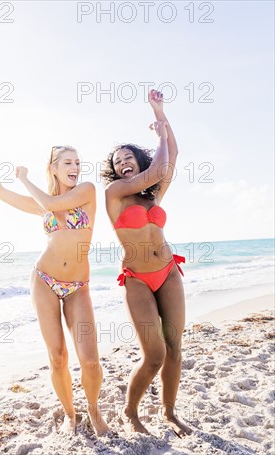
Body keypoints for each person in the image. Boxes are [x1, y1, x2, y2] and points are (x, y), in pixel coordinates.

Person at [0, 131, 109, 435]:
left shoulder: (86, 191)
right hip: (44, 280)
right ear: (54, 169)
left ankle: (94, 411)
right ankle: (70, 414)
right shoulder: (41, 202)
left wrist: (25, 179)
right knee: (57, 356)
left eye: (77, 162)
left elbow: (53, 206)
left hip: (77, 287)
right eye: (68, 162)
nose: (75, 167)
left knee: (90, 360)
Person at [101, 89, 192, 437]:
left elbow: (173, 156)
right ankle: (131, 410)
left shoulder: (154, 193)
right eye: (117, 161)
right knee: (154, 355)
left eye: (128, 157)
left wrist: (161, 113)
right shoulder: (113, 195)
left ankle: (170, 412)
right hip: (137, 279)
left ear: (138, 159)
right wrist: (159, 137)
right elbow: (160, 166)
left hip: (169, 273)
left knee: (174, 349)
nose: (123, 162)